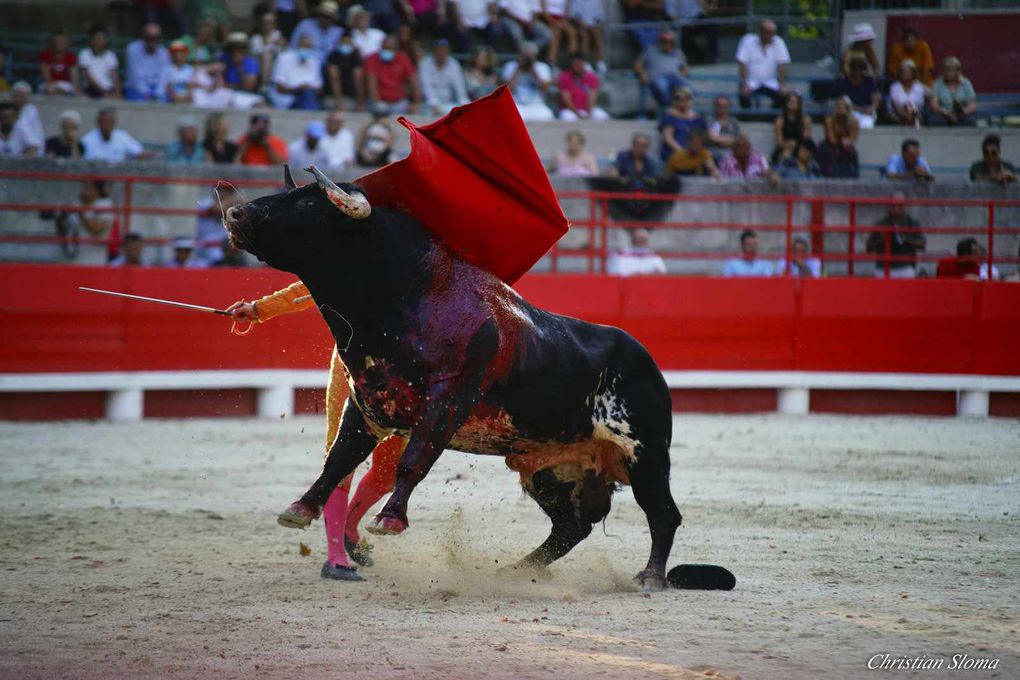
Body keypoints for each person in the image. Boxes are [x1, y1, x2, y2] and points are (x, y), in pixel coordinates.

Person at [226, 284, 405, 581]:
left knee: (389, 469)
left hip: (404, 367)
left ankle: (349, 527)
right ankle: (336, 557)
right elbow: (311, 286)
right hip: (354, 363)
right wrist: (259, 309)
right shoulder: (361, 254)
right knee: (340, 459)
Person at [57, 180, 116, 264]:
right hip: (70, 258)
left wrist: (80, 212)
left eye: (89, 187)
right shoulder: (77, 203)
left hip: (92, 261)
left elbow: (97, 229)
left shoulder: (105, 205)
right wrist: (61, 216)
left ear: (98, 190)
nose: (85, 190)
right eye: (84, 187)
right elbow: (62, 230)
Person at [867, 193, 925, 278]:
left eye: (900, 206)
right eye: (893, 205)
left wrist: (907, 239)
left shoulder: (912, 223)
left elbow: (922, 245)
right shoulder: (880, 224)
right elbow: (869, 248)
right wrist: (882, 239)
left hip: (905, 267)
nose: (896, 209)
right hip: (883, 267)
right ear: (889, 206)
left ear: (904, 206)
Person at [736, 19, 789, 109]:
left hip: (771, 81)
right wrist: (744, 83)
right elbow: (742, 63)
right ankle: (747, 119)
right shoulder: (747, 41)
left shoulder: (779, 42)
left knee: (784, 95)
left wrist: (782, 84)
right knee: (743, 94)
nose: (771, 36)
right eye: (768, 33)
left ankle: (771, 118)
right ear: (761, 32)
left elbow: (782, 65)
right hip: (751, 81)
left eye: (772, 33)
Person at [364, 34, 421, 114]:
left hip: (399, 103)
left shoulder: (403, 58)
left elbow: (414, 81)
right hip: (380, 103)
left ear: (396, 49)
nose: (387, 51)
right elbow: (371, 84)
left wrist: (417, 103)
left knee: (417, 113)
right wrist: (377, 104)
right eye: (385, 48)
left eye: (390, 48)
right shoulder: (373, 58)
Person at [634, 29, 690, 110]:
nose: (667, 44)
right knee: (662, 87)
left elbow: (685, 68)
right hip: (657, 77)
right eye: (664, 41)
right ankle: (670, 110)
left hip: (674, 77)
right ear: (659, 41)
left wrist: (682, 74)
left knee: (689, 88)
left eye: (670, 42)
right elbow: (637, 65)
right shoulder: (650, 50)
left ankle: (688, 113)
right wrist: (643, 73)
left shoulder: (678, 53)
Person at [501, 41, 554, 121]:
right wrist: (518, 69)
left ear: (535, 56)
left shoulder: (542, 67)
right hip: (516, 105)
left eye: (529, 57)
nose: (527, 60)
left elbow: (545, 88)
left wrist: (533, 71)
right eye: (525, 56)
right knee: (508, 115)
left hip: (537, 106)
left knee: (547, 115)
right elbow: (506, 90)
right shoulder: (510, 66)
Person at [271, 34, 324, 110]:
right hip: (288, 98)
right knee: (307, 95)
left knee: (308, 94)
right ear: (298, 46)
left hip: (308, 96)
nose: (306, 50)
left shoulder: (314, 61)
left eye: (309, 48)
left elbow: (319, 89)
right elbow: (279, 88)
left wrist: (307, 87)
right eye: (304, 47)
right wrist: (298, 89)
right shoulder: (284, 58)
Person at [419, 39, 469, 116]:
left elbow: (460, 87)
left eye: (443, 50)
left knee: (462, 112)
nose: (441, 52)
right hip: (428, 104)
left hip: (448, 105)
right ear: (433, 51)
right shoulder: (425, 63)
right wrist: (433, 104)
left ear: (448, 51)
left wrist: (464, 105)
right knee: (425, 112)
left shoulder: (454, 64)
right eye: (438, 49)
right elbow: (426, 86)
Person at [194, 186, 240, 266]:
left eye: (228, 191)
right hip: (207, 247)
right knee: (216, 255)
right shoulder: (205, 202)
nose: (224, 193)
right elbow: (217, 209)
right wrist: (231, 204)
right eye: (221, 190)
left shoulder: (232, 204)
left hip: (226, 247)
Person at [82, 109, 151, 162]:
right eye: (104, 121)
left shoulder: (122, 136)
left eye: (110, 121)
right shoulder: (87, 140)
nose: (107, 125)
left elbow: (139, 153)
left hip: (118, 176)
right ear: (98, 122)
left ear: (114, 123)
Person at [658, 86, 705, 163]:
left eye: (687, 99)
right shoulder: (669, 116)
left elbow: (703, 137)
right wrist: (683, 152)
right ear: (675, 101)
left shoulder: (698, 118)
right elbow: (668, 138)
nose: (684, 102)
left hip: (694, 152)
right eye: (680, 99)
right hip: (674, 152)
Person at [125, 23, 171, 102]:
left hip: (156, 90)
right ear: (143, 37)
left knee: (164, 103)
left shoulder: (164, 53)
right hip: (135, 89)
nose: (152, 40)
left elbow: (163, 78)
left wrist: (157, 94)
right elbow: (135, 76)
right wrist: (146, 93)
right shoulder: (133, 49)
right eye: (149, 37)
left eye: (156, 37)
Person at [927, 57, 977, 128]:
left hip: (961, 114)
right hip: (943, 114)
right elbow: (934, 104)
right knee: (934, 120)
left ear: (958, 71)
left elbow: (972, 105)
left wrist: (961, 114)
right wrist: (947, 113)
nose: (948, 72)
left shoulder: (966, 83)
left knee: (970, 121)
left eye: (951, 70)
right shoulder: (937, 84)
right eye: (946, 69)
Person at [817, 96, 859, 179]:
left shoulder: (854, 121)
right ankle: (829, 176)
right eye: (838, 107)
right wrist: (843, 141)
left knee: (853, 153)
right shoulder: (829, 120)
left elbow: (853, 138)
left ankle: (854, 177)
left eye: (843, 107)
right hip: (829, 146)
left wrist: (848, 141)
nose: (840, 109)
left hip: (846, 146)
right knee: (830, 152)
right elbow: (832, 139)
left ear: (848, 109)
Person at [557, 53, 609, 121]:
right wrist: (577, 114)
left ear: (584, 64)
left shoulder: (592, 77)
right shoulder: (564, 77)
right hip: (570, 110)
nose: (577, 66)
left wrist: (589, 114)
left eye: (579, 63)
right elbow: (567, 99)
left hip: (587, 110)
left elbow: (592, 97)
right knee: (568, 118)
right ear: (571, 64)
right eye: (575, 64)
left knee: (603, 116)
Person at [836, 57, 880, 129]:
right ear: (851, 70)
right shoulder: (844, 82)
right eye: (855, 69)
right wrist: (861, 109)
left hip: (867, 112)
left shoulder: (869, 81)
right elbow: (844, 102)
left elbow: (875, 96)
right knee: (852, 122)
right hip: (851, 111)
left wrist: (872, 107)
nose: (858, 72)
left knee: (867, 124)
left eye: (860, 69)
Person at [78, 24, 120, 99]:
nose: (98, 42)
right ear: (91, 40)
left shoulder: (111, 55)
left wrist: (117, 93)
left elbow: (114, 76)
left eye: (101, 39)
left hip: (108, 90)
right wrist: (102, 91)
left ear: (106, 40)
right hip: (91, 90)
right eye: (96, 39)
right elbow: (86, 75)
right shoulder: (84, 53)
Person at [325, 34, 366, 109]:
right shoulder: (333, 56)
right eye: (343, 43)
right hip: (332, 96)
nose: (345, 45)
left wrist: (360, 102)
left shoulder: (356, 56)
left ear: (352, 45)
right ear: (338, 44)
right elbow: (335, 79)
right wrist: (339, 102)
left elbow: (358, 80)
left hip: (352, 96)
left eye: (348, 43)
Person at [771, 90, 811, 163]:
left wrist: (795, 144)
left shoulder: (805, 120)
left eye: (795, 102)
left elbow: (806, 139)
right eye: (790, 101)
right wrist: (788, 144)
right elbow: (779, 141)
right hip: (784, 146)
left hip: (801, 146)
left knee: (803, 152)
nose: (793, 104)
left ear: (799, 104)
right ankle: (784, 170)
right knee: (786, 152)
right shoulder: (780, 120)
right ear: (786, 103)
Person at [936, 238, 1000, 281]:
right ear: (966, 254)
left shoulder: (974, 266)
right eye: (975, 252)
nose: (979, 255)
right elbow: (940, 284)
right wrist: (962, 279)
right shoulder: (945, 264)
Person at [39, 31, 80, 96]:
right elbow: (45, 73)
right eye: (57, 41)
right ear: (52, 42)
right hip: (49, 84)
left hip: (65, 84)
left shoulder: (71, 56)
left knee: (69, 90)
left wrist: (76, 89)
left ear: (66, 43)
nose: (59, 44)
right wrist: (51, 86)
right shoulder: (45, 55)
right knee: (47, 89)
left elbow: (74, 75)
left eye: (62, 41)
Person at [250, 11, 285, 88]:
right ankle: (265, 86)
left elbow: (282, 51)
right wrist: (269, 44)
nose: (267, 25)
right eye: (265, 22)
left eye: (270, 22)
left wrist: (281, 45)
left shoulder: (278, 35)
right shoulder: (256, 38)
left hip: (277, 62)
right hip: (260, 64)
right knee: (266, 56)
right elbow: (254, 54)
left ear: (274, 24)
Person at [888, 59, 925, 127]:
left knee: (918, 119)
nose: (906, 74)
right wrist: (904, 115)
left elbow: (919, 104)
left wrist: (911, 114)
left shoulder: (919, 87)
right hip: (897, 114)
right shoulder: (895, 87)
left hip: (915, 114)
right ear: (900, 73)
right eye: (904, 71)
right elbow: (894, 104)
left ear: (913, 73)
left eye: (909, 72)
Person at [570, 0, 604, 71]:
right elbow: (575, 16)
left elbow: (599, 17)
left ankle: (600, 62)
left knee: (598, 35)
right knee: (585, 37)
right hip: (580, 25)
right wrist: (583, 25)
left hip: (593, 25)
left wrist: (595, 24)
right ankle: (585, 62)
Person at [11, 82, 44, 148]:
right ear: (12, 97)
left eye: (22, 96)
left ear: (27, 98)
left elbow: (28, 131)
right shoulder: (6, 109)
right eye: (16, 96)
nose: (19, 99)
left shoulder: (31, 111)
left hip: (29, 145)